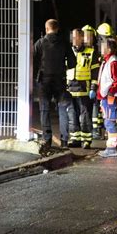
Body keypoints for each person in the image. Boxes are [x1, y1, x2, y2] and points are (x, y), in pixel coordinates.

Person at [33, 19, 76, 147]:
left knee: (44, 109)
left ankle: (47, 140)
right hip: (60, 80)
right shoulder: (64, 43)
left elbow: (32, 61)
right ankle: (64, 140)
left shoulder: (40, 43)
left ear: (46, 29)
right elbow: (73, 62)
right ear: (57, 29)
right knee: (62, 109)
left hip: (44, 81)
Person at [66, 26, 101, 149]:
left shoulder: (91, 52)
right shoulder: (68, 52)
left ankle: (86, 139)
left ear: (82, 37)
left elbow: (95, 72)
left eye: (76, 37)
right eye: (72, 37)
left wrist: (93, 87)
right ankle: (75, 138)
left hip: (84, 89)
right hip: (70, 89)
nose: (74, 39)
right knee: (72, 115)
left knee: (85, 115)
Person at [97, 39, 117, 157]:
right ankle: (112, 147)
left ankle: (112, 149)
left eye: (103, 46)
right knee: (109, 121)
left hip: (111, 96)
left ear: (109, 49)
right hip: (108, 96)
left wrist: (110, 92)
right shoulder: (108, 61)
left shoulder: (113, 62)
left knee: (109, 122)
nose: (100, 48)